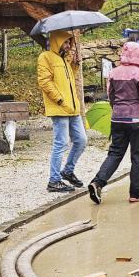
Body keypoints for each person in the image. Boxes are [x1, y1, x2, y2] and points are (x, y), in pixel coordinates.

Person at [88, 42, 139, 204]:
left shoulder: (113, 73)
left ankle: (98, 182)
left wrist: (117, 109)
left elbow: (110, 96)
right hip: (137, 120)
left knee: (115, 153)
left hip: (117, 119)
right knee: (138, 156)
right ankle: (136, 193)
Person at [37, 31, 87, 193]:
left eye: (69, 43)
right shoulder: (45, 57)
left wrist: (75, 65)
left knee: (81, 140)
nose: (68, 46)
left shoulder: (65, 59)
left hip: (73, 109)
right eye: (66, 42)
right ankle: (54, 180)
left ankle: (68, 171)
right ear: (57, 41)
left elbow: (68, 80)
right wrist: (59, 99)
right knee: (61, 144)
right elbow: (44, 81)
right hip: (59, 108)